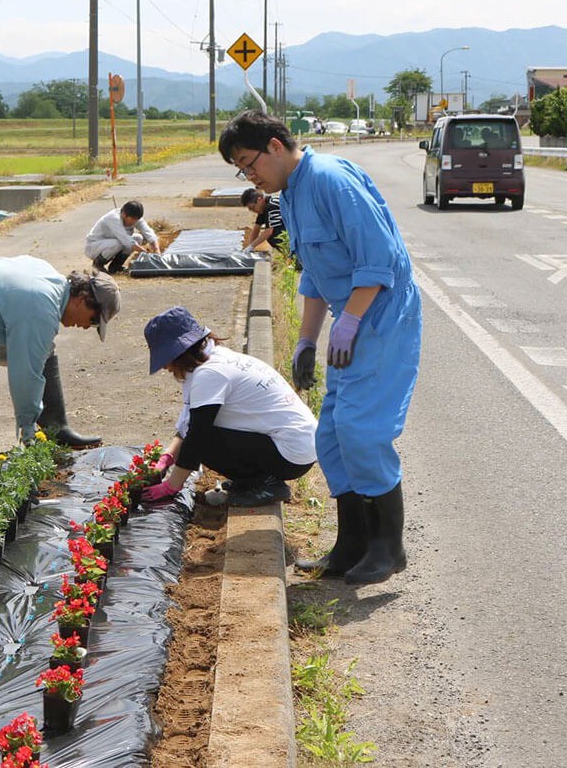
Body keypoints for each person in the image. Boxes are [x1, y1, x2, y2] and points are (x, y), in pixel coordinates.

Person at [218, 110, 422, 588]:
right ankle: (351, 544)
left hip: (383, 316)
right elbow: (313, 272)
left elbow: (378, 260)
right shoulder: (289, 195)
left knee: (362, 431)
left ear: (274, 146)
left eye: (249, 163)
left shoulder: (331, 181)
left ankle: (388, 546)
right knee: (330, 436)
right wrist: (308, 339)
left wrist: (349, 321)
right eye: (241, 170)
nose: (250, 176)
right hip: (353, 316)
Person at [140, 306, 317, 508]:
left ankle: (266, 484)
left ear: (180, 353)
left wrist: (171, 487)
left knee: (203, 440)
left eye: (166, 359)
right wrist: (167, 458)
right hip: (297, 445)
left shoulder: (210, 374)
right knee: (200, 433)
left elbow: (196, 436)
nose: (165, 367)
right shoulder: (213, 358)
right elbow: (187, 422)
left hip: (290, 453)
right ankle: (251, 480)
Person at [0, 255, 121, 448]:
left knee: (44, 350)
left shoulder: (48, 277)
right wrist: (28, 430)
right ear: (82, 300)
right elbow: (26, 374)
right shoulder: (42, 309)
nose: (86, 327)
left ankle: (57, 428)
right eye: (93, 321)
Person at [84, 200, 161, 273]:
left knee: (138, 238)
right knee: (118, 243)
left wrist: (156, 250)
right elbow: (126, 240)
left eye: (137, 219)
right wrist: (144, 251)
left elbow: (148, 231)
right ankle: (98, 265)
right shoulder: (113, 218)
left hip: (112, 243)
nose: (135, 222)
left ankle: (116, 267)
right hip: (94, 246)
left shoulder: (135, 218)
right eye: (133, 219)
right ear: (124, 214)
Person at [239, 187, 285, 253]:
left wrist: (251, 246)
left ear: (259, 199)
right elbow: (256, 228)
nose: (253, 211)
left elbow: (269, 231)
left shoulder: (272, 206)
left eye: (253, 208)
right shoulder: (264, 207)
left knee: (274, 233)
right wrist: (249, 247)